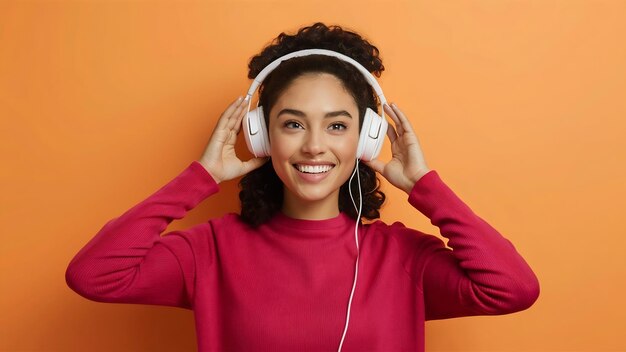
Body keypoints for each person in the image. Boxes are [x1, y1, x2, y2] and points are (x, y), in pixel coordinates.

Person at [65, 22, 540, 352]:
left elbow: (513, 289)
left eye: (337, 126)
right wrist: (202, 178)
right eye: (293, 124)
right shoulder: (210, 251)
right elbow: (94, 276)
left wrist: (424, 187)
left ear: (367, 138)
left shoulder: (402, 258)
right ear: (261, 136)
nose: (314, 146)